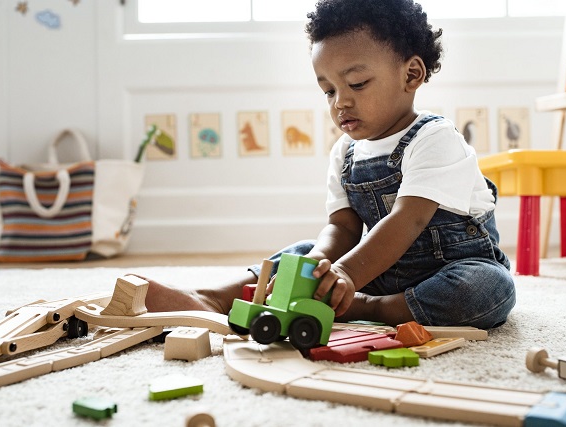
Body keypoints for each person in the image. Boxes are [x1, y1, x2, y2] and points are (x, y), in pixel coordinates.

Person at [142, 0, 516, 329]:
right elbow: (343, 227)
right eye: (329, 90)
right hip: (380, 269)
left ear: (411, 74)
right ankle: (219, 297)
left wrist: (346, 273)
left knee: (486, 290)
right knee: (304, 250)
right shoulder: (345, 153)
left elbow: (408, 220)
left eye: (357, 83)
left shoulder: (435, 139)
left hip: (449, 270)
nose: (340, 102)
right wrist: (320, 264)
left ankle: (366, 309)